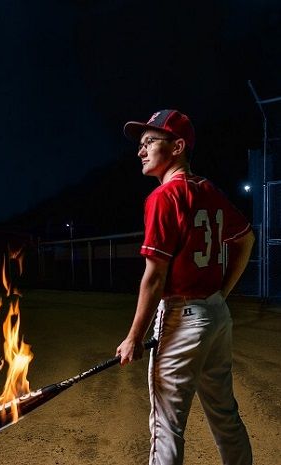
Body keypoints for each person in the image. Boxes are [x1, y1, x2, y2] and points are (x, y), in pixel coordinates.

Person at [116, 109, 254, 465]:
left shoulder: (163, 198)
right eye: (141, 143)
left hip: (181, 319)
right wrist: (222, 293)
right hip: (215, 315)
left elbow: (154, 277)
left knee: (166, 426)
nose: (141, 150)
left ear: (177, 146)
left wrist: (134, 336)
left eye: (150, 142)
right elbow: (246, 238)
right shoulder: (207, 190)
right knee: (225, 414)